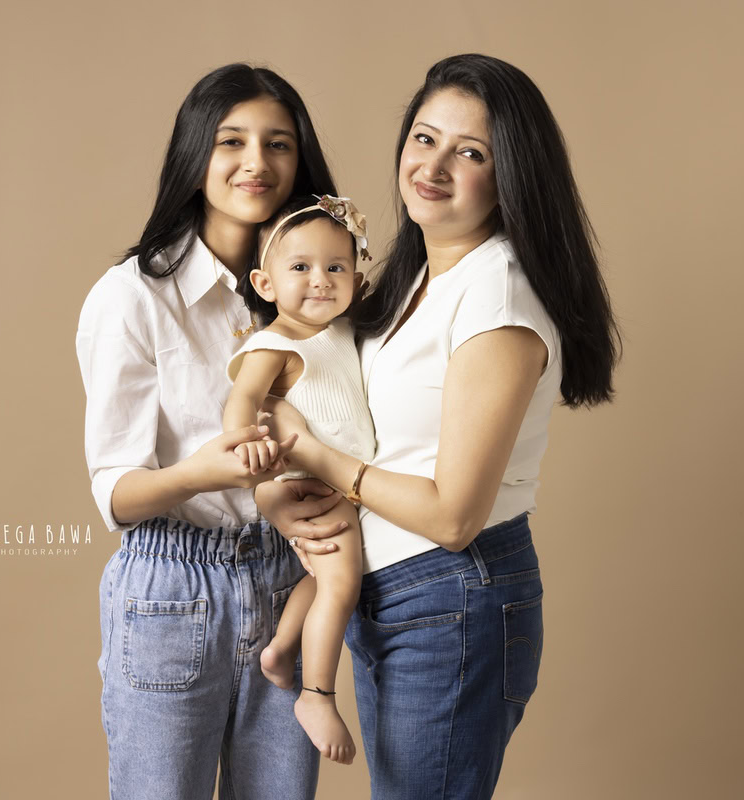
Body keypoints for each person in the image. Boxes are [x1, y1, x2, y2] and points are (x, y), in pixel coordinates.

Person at [256, 54, 621, 800]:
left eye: (471, 152)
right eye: (425, 138)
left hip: (451, 587)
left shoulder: (498, 296)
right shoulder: (419, 277)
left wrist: (322, 464)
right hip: (397, 591)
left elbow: (454, 516)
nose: (434, 165)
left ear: (510, 174)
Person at [75, 63, 345, 800]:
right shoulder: (133, 298)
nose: (256, 163)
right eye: (232, 141)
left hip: (287, 579)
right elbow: (117, 495)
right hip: (173, 587)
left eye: (279, 144)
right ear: (195, 153)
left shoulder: (315, 291)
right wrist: (206, 472)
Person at [222, 193, 375, 765]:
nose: (321, 280)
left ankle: (282, 649)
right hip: (303, 482)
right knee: (341, 584)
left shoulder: (338, 333)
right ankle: (316, 694)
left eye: (336, 268)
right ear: (264, 284)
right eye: (301, 268)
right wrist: (251, 451)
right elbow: (241, 403)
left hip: (335, 483)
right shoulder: (274, 344)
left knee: (325, 573)